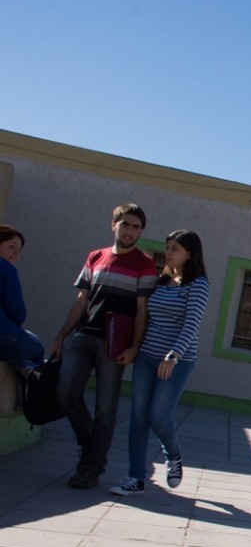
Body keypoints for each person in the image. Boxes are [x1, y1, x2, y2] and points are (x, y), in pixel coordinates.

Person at [50, 203, 159, 490]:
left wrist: (134, 347)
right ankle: (91, 444)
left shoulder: (145, 264)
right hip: (82, 337)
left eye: (136, 227)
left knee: (105, 408)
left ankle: (91, 468)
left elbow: (142, 311)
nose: (130, 231)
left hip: (114, 346)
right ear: (114, 225)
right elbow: (80, 301)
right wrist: (62, 336)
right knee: (65, 394)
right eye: (126, 225)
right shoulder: (95, 256)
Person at [112, 230, 210, 496]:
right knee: (138, 417)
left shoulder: (198, 284)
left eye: (175, 248)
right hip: (146, 356)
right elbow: (146, 316)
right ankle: (135, 477)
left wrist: (174, 355)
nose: (168, 252)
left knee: (159, 417)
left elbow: (192, 324)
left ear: (189, 253)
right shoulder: (162, 280)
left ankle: (173, 455)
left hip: (177, 360)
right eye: (168, 247)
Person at [0, 225, 45, 374]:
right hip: (4, 335)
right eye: (12, 246)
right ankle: (31, 392)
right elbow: (17, 311)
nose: (15, 253)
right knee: (37, 347)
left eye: (19, 250)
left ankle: (23, 364)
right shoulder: (6, 268)